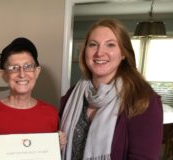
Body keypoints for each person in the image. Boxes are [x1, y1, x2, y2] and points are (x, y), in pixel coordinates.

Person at [60, 18, 163, 160]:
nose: (99, 53)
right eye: (93, 45)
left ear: (123, 53)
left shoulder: (143, 99)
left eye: (110, 45)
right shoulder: (72, 95)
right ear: (85, 52)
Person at [0, 37, 67, 160]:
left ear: (37, 72)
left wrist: (58, 148)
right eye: (14, 68)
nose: (21, 74)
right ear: (3, 75)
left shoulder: (51, 113)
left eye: (28, 66)